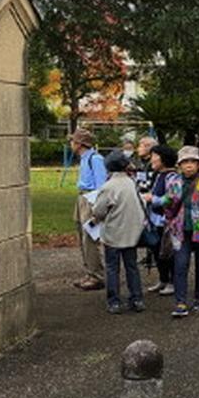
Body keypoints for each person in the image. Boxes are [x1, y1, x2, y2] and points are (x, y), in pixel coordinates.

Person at [154, 145, 199, 318]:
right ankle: (180, 302)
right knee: (180, 266)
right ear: (179, 165)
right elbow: (168, 202)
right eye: (185, 162)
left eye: (193, 161)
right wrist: (156, 201)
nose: (189, 165)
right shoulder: (175, 183)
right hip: (180, 231)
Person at [92, 151, 147, 315]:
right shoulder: (131, 182)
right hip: (131, 233)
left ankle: (114, 301)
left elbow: (99, 211)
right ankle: (137, 299)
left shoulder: (108, 187)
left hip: (113, 233)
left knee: (112, 268)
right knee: (132, 267)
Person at [70, 128, 107, 291]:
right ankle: (89, 271)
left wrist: (96, 209)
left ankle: (96, 275)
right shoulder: (84, 158)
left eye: (73, 141)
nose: (71, 144)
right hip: (82, 197)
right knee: (82, 235)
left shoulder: (95, 159)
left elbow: (101, 185)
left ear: (79, 143)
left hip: (90, 199)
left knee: (90, 237)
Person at [143, 144, 178, 295]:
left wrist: (153, 199)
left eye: (154, 156)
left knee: (168, 252)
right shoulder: (158, 175)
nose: (152, 159)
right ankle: (163, 279)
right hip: (155, 219)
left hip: (166, 221)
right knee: (157, 251)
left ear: (163, 159)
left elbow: (172, 198)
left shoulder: (172, 177)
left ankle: (172, 282)